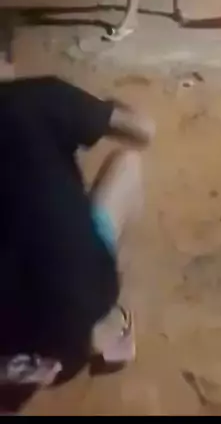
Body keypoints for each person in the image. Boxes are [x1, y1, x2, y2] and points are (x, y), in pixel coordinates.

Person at [0, 26, 155, 386]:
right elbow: (143, 132)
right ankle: (105, 321)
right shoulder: (41, 94)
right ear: (7, 60)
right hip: (72, 312)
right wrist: (105, 106)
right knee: (127, 164)